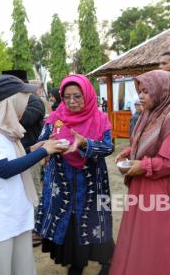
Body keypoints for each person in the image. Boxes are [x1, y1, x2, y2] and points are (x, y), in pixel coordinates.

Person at [0, 74, 66, 275]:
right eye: (23, 100)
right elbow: (4, 169)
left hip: (15, 213)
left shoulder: (3, 127)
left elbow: (9, 158)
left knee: (22, 270)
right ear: (11, 101)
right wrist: (44, 151)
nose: (25, 105)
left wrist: (35, 149)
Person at [110, 70, 170, 275]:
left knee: (157, 242)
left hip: (162, 188)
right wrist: (129, 152)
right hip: (144, 183)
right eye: (140, 91)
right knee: (140, 238)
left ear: (163, 91)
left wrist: (142, 166)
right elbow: (145, 144)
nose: (141, 96)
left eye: (147, 91)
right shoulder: (150, 114)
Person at [35, 74, 114, 275]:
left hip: (91, 179)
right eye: (67, 96)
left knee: (96, 218)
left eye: (77, 96)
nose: (71, 101)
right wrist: (48, 142)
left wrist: (86, 143)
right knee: (68, 219)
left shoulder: (100, 118)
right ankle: (75, 262)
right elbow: (40, 142)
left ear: (87, 95)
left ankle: (106, 260)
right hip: (62, 179)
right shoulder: (54, 118)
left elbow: (108, 147)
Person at [3, 70, 46, 247]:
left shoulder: (34, 101)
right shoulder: (12, 101)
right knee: (23, 191)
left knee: (34, 190)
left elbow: (24, 120)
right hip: (19, 153)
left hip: (31, 153)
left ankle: (38, 229)